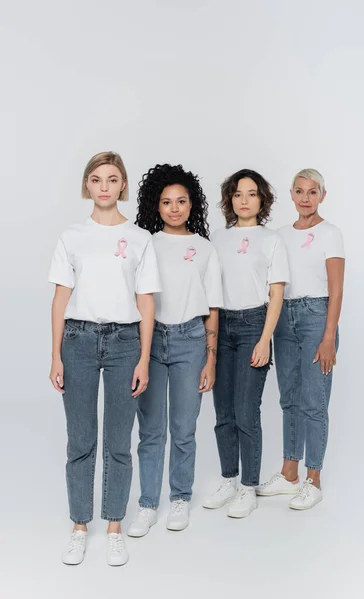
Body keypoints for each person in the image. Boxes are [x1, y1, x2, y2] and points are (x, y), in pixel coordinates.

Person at [48, 151, 160, 565]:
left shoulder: (139, 238)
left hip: (124, 343)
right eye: (97, 180)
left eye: (113, 179)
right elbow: (60, 299)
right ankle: (80, 525)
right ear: (87, 186)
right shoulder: (71, 236)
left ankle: (114, 525)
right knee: (80, 440)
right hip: (76, 340)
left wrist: (144, 358)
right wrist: (55, 356)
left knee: (118, 441)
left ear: (123, 185)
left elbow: (145, 302)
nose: (105, 187)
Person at [128, 164, 223, 535]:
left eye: (181, 201)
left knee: (184, 428)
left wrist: (210, 359)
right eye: (166, 202)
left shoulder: (203, 249)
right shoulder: (144, 243)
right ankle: (148, 503)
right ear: (156, 205)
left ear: (192, 204)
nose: (174, 208)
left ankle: (180, 497)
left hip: (190, 341)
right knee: (151, 430)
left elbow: (212, 306)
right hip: (149, 342)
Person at [203, 169, 289, 518]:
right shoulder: (217, 240)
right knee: (222, 412)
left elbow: (277, 293)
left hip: (255, 323)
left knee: (245, 410)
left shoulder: (271, 240)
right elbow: (210, 291)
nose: (244, 200)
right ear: (230, 199)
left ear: (262, 199)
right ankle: (230, 478)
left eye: (251, 194)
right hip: (221, 325)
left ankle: (249, 486)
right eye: (238, 194)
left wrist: (265, 339)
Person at [257, 168, 345, 510]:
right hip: (284, 317)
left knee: (314, 401)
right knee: (289, 399)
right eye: (299, 191)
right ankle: (289, 472)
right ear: (291, 195)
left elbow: (336, 290)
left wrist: (327, 336)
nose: (305, 198)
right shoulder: (279, 235)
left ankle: (314, 479)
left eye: (312, 192)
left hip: (316, 316)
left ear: (322, 195)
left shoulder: (330, 233)